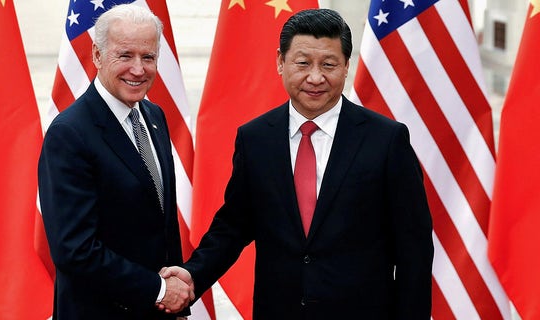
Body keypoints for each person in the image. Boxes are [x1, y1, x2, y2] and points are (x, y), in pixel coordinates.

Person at [161, 8, 433, 320]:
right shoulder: (256, 138)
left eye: (329, 64)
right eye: (303, 63)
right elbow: (233, 227)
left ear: (346, 66)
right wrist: (193, 276)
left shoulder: (386, 141)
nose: (315, 77)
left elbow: (415, 250)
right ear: (281, 62)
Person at [38, 4, 192, 320]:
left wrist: (175, 300)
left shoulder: (154, 116)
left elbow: (161, 220)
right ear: (97, 55)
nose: (138, 69)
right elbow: (74, 250)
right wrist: (160, 290)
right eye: (125, 56)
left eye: (148, 57)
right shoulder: (70, 133)